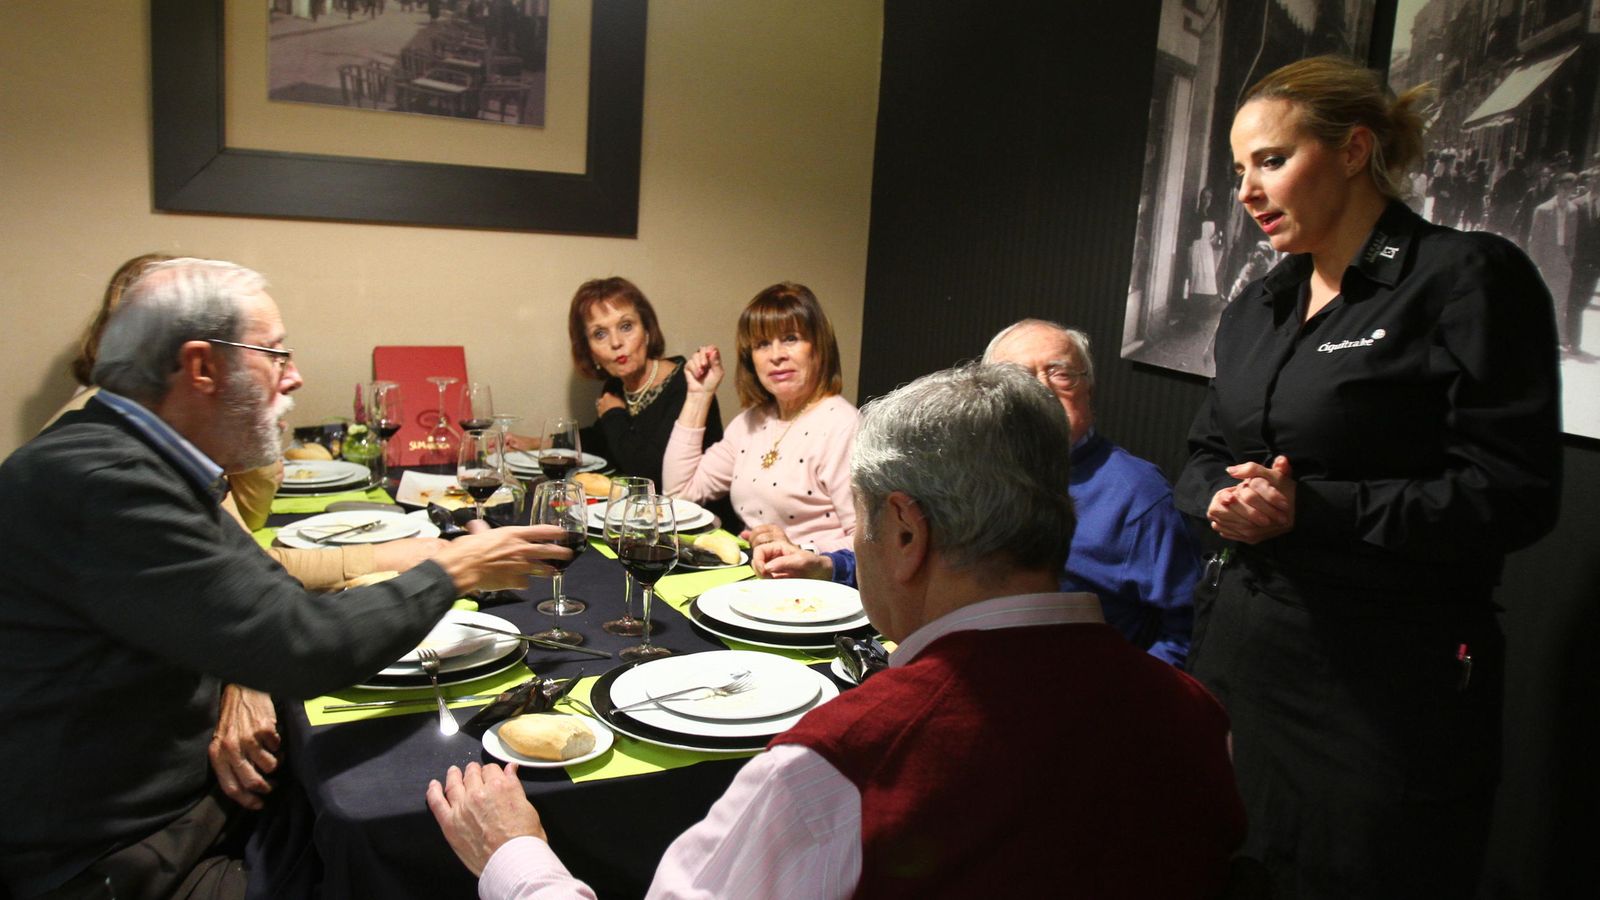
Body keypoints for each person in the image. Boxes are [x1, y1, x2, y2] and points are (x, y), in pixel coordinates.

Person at [428, 363, 1247, 898]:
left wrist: (515, 858)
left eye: (858, 520)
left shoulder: (834, 769)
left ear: (906, 532)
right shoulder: (1197, 717)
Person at [0, 258, 569, 899]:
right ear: (201, 367)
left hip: (181, 818)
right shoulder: (104, 481)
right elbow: (302, 643)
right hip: (121, 863)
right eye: (274, 354)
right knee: (414, 844)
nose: (294, 376)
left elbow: (259, 595)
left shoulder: (130, 455)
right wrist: (454, 568)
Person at [1175, 56, 1561, 898]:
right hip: (1241, 655)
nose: (1247, 190)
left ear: (1354, 150)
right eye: (1238, 169)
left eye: (1272, 160)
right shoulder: (1257, 306)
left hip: (1381, 687)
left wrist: (1312, 510)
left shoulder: (1464, 279)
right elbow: (1202, 453)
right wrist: (1224, 499)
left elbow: (1514, 493)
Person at [755, 320, 1203, 668]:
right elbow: (914, 553)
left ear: (1089, 387)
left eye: (1061, 373)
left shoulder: (1138, 494)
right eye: (1019, 378)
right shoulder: (964, 463)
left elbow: (1187, 628)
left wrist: (1122, 697)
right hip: (957, 667)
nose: (1042, 390)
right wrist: (827, 565)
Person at [50, 253, 446, 587]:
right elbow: (249, 581)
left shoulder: (157, 430)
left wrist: (251, 419)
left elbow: (251, 520)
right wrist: (416, 563)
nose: (294, 376)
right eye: (272, 353)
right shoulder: (116, 455)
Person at [663, 282, 856, 551]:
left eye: (791, 338)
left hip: (813, 575)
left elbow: (870, 543)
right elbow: (679, 493)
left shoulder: (843, 426)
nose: (776, 356)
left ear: (819, 347)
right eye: (763, 344)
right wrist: (699, 395)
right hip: (755, 570)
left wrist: (801, 552)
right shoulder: (750, 423)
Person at [561, 277, 722, 488]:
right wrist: (537, 443)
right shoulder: (616, 386)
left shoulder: (688, 385)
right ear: (589, 350)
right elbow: (600, 440)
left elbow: (651, 474)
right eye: (600, 334)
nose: (616, 342)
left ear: (647, 331)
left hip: (693, 507)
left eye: (626, 326)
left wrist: (613, 415)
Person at [1528, 172, 1579, 344]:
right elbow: (1534, 239)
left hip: (1563, 259)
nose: (1566, 192)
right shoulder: (1543, 210)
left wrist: (1569, 257)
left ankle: (1554, 336)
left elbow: (1572, 237)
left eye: (1570, 189)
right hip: (1545, 258)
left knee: (1560, 301)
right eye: (1563, 188)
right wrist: (1535, 263)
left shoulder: (1573, 210)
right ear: (1557, 188)